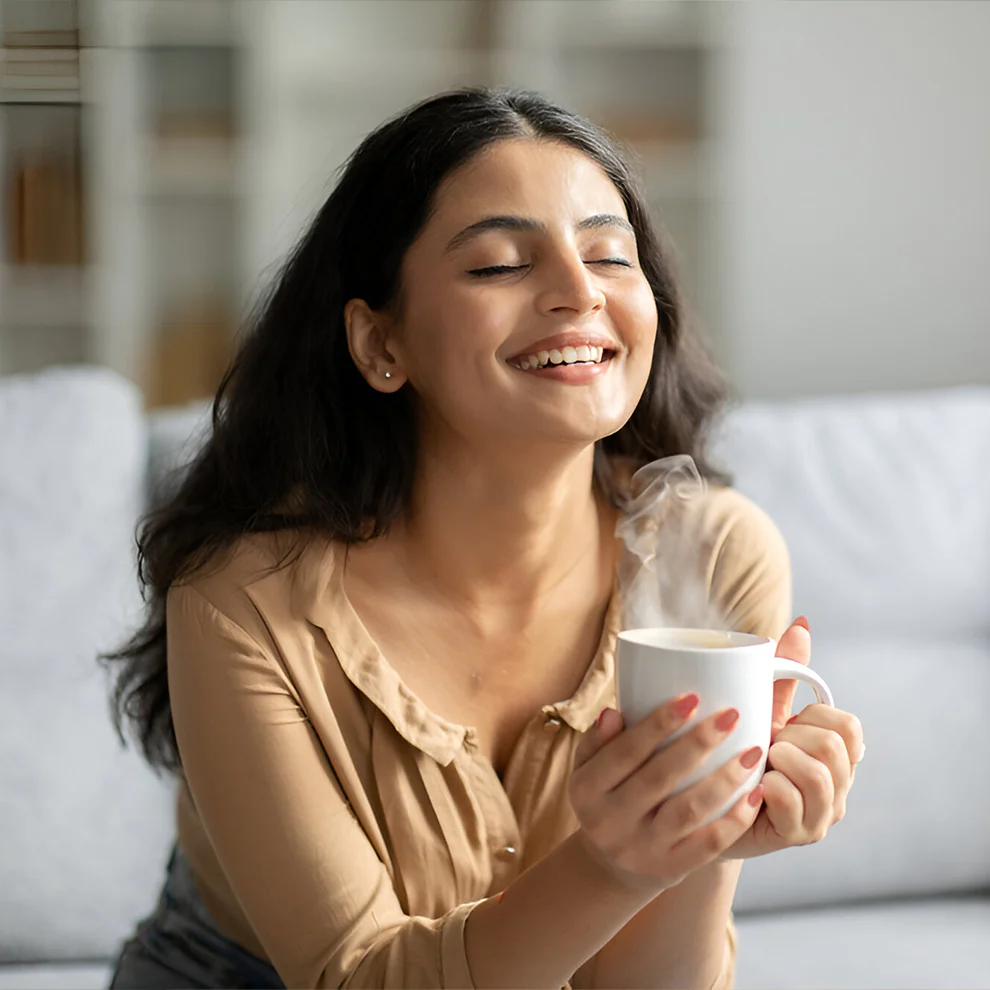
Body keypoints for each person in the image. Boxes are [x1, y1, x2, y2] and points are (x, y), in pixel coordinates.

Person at [103, 87, 864, 989]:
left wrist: (701, 840)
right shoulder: (244, 600)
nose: (580, 292)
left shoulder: (718, 554)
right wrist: (613, 866)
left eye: (609, 256)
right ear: (381, 344)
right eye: (500, 265)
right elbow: (358, 979)